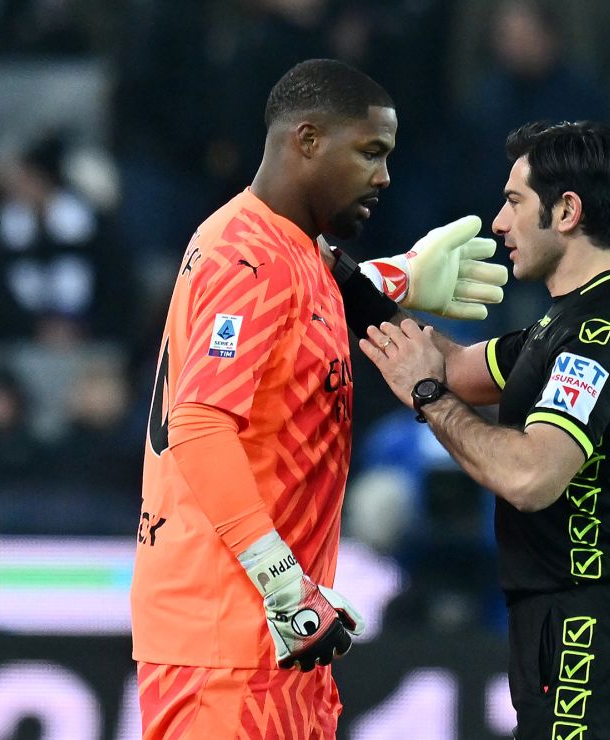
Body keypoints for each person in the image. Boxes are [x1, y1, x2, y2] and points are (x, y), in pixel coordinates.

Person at [129, 58, 506, 739]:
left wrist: (400, 275)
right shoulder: (246, 256)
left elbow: (309, 293)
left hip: (277, 636)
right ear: (305, 141)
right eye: (370, 152)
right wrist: (281, 581)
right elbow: (200, 422)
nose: (385, 177)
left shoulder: (288, 250)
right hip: (230, 636)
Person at [358, 121, 610, 739]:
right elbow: (451, 365)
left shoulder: (602, 335)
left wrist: (428, 397)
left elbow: (529, 475)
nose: (499, 224)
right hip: (577, 622)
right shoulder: (564, 326)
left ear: (567, 211)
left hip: (592, 626)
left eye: (514, 202)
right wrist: (376, 280)